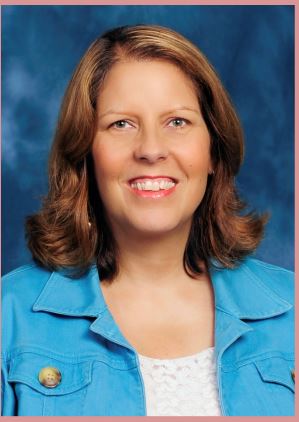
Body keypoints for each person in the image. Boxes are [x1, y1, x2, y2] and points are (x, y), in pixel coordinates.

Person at [1, 24, 294, 417]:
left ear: (212, 150)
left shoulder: (291, 309)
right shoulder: (10, 317)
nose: (151, 150)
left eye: (177, 122)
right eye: (121, 124)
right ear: (86, 152)